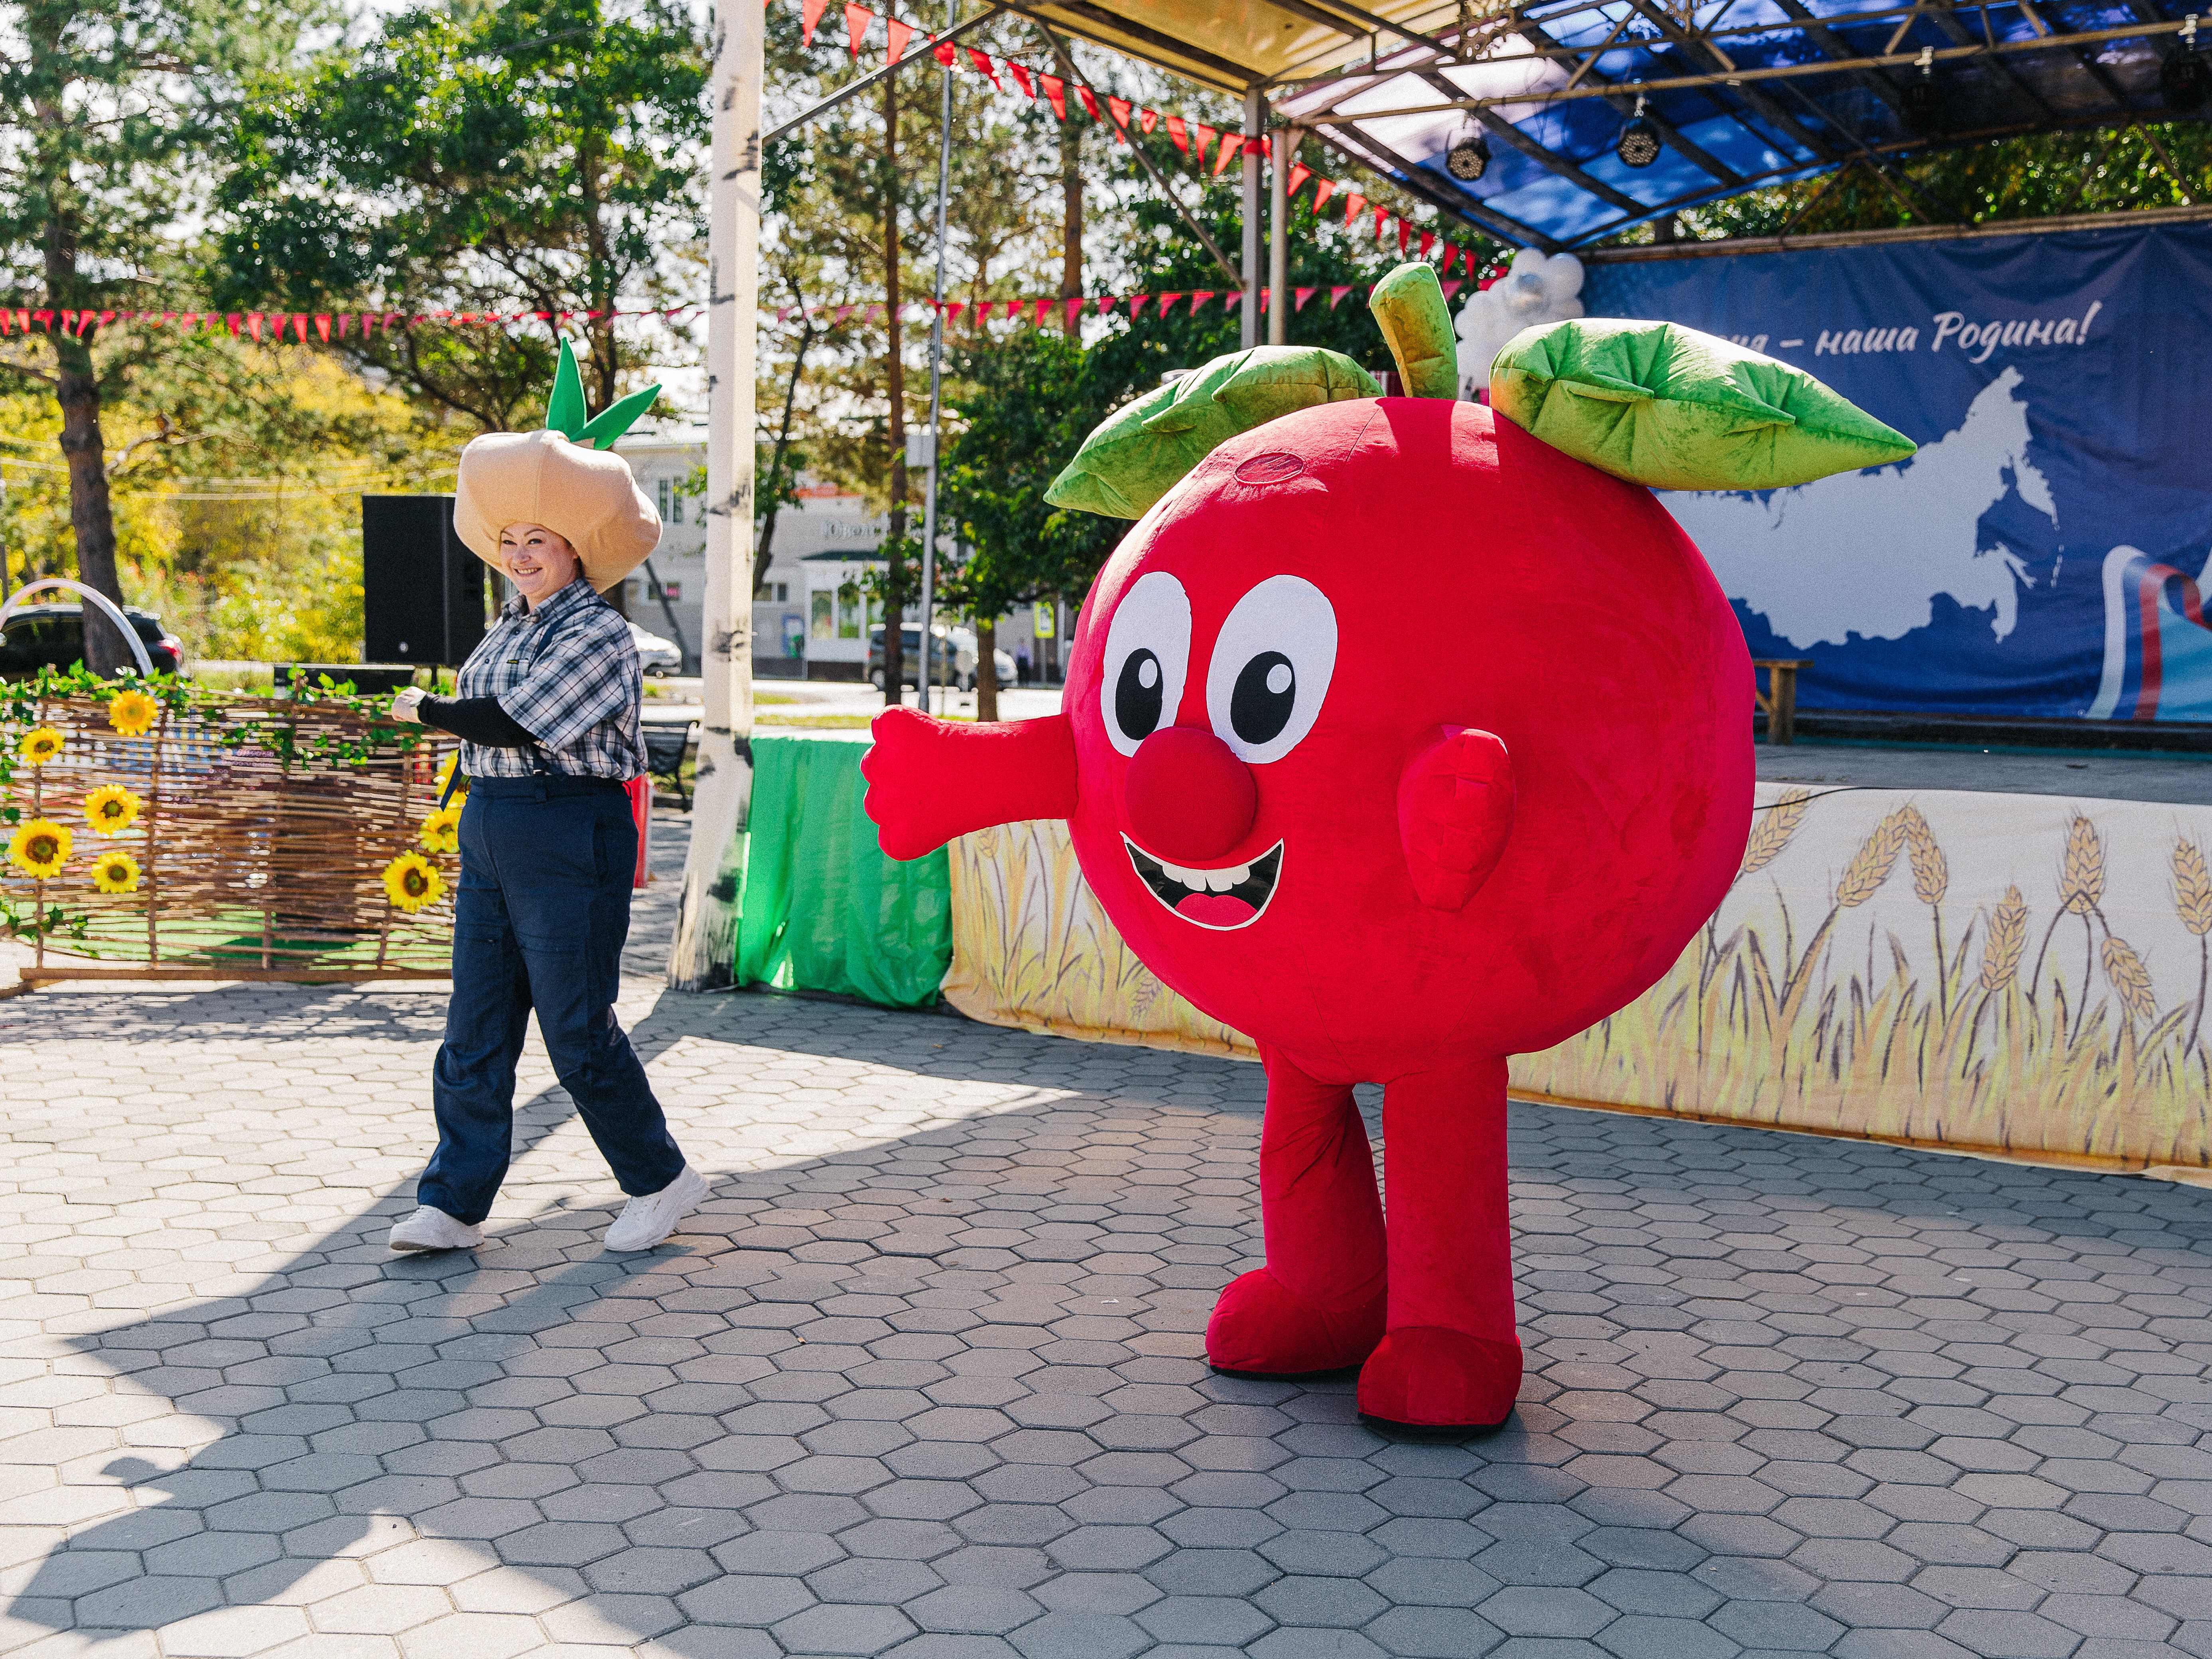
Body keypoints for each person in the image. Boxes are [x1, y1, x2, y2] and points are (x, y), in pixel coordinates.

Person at [383, 343, 705, 1254]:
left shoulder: (601, 634)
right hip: (493, 829)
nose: (523, 556)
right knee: (475, 1026)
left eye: (542, 542)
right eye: (512, 542)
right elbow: (491, 723)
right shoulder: (504, 629)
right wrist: (455, 736)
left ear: (577, 550)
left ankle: (662, 1178)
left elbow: (524, 721)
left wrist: (432, 710)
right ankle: (453, 1200)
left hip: (569, 827)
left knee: (574, 1026)